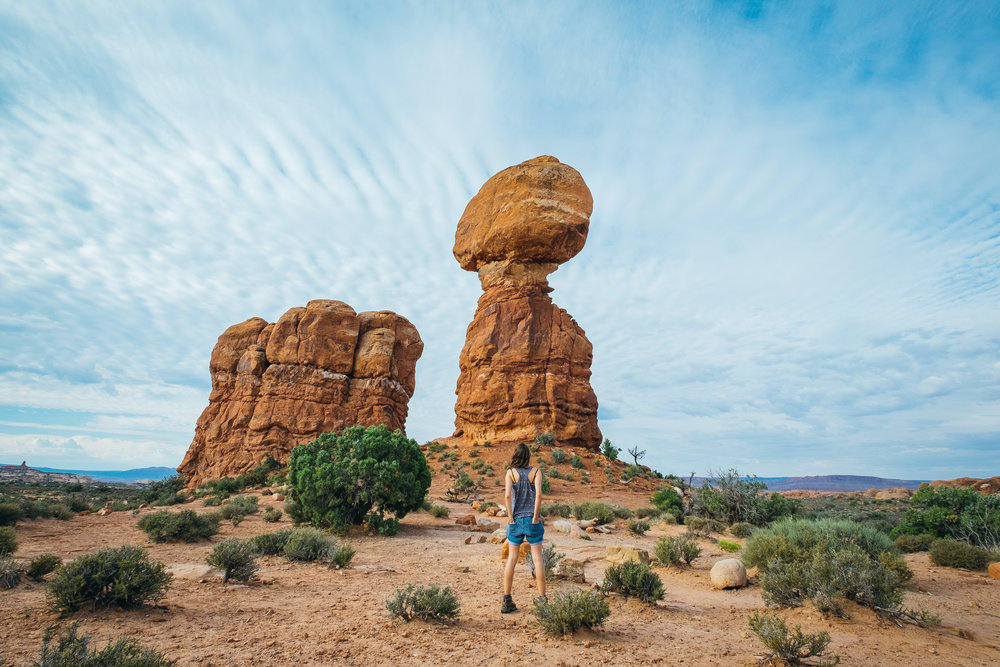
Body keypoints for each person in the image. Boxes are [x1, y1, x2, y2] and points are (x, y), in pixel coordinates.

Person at [502, 442, 545, 613]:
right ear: (528, 456)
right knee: (538, 560)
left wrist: (510, 517)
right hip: (532, 520)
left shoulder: (510, 473)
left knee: (511, 560)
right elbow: (539, 495)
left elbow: (507, 495)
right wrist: (535, 517)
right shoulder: (536, 472)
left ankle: (506, 601)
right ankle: (542, 601)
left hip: (516, 521)